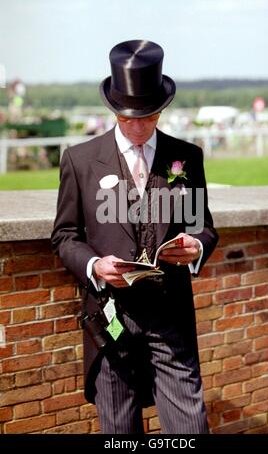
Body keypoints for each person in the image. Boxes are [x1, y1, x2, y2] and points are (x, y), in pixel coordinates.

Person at [51, 39, 218, 434]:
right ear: (113, 109)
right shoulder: (79, 159)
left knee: (190, 429)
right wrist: (94, 265)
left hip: (170, 317)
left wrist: (196, 246)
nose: (139, 127)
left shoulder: (186, 158)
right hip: (110, 320)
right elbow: (64, 235)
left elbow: (203, 226)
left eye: (148, 116)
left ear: (161, 109)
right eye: (129, 118)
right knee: (120, 432)